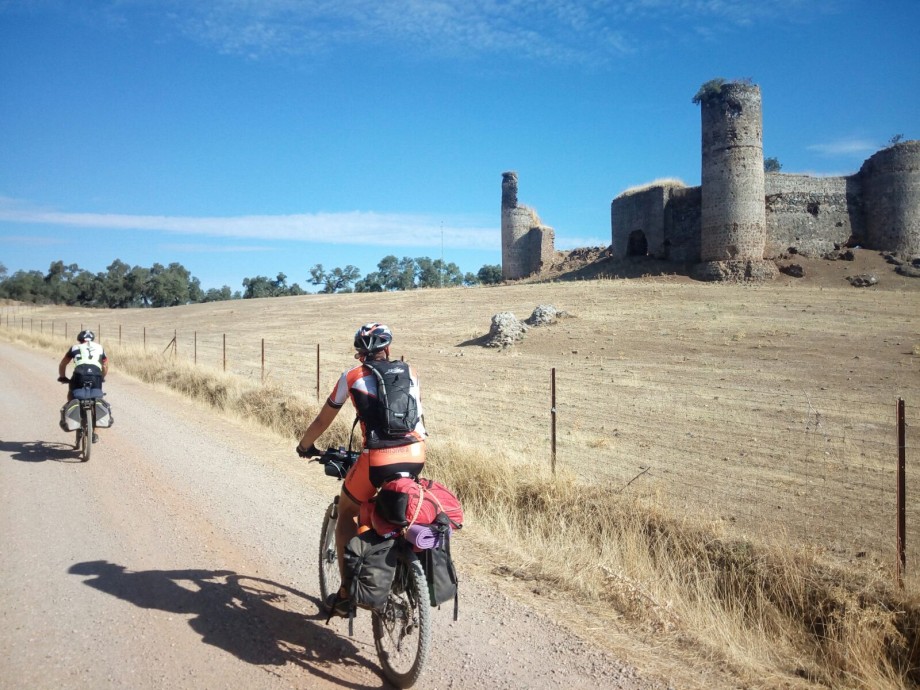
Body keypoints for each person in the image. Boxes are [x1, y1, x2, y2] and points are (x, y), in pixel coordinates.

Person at [296, 323, 426, 615]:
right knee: (400, 502)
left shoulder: (351, 376)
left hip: (378, 457)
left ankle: (345, 595)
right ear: (388, 349)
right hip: (417, 452)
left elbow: (322, 420)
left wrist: (305, 446)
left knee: (347, 510)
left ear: (359, 354)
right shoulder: (411, 372)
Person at [58, 330, 108, 443]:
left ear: (80, 339)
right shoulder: (100, 347)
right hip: (96, 376)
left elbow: (63, 363)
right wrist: (102, 377)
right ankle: (93, 432)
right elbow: (105, 365)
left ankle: (73, 413)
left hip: (79, 376)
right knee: (96, 399)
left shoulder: (75, 348)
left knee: (72, 393)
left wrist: (62, 377)